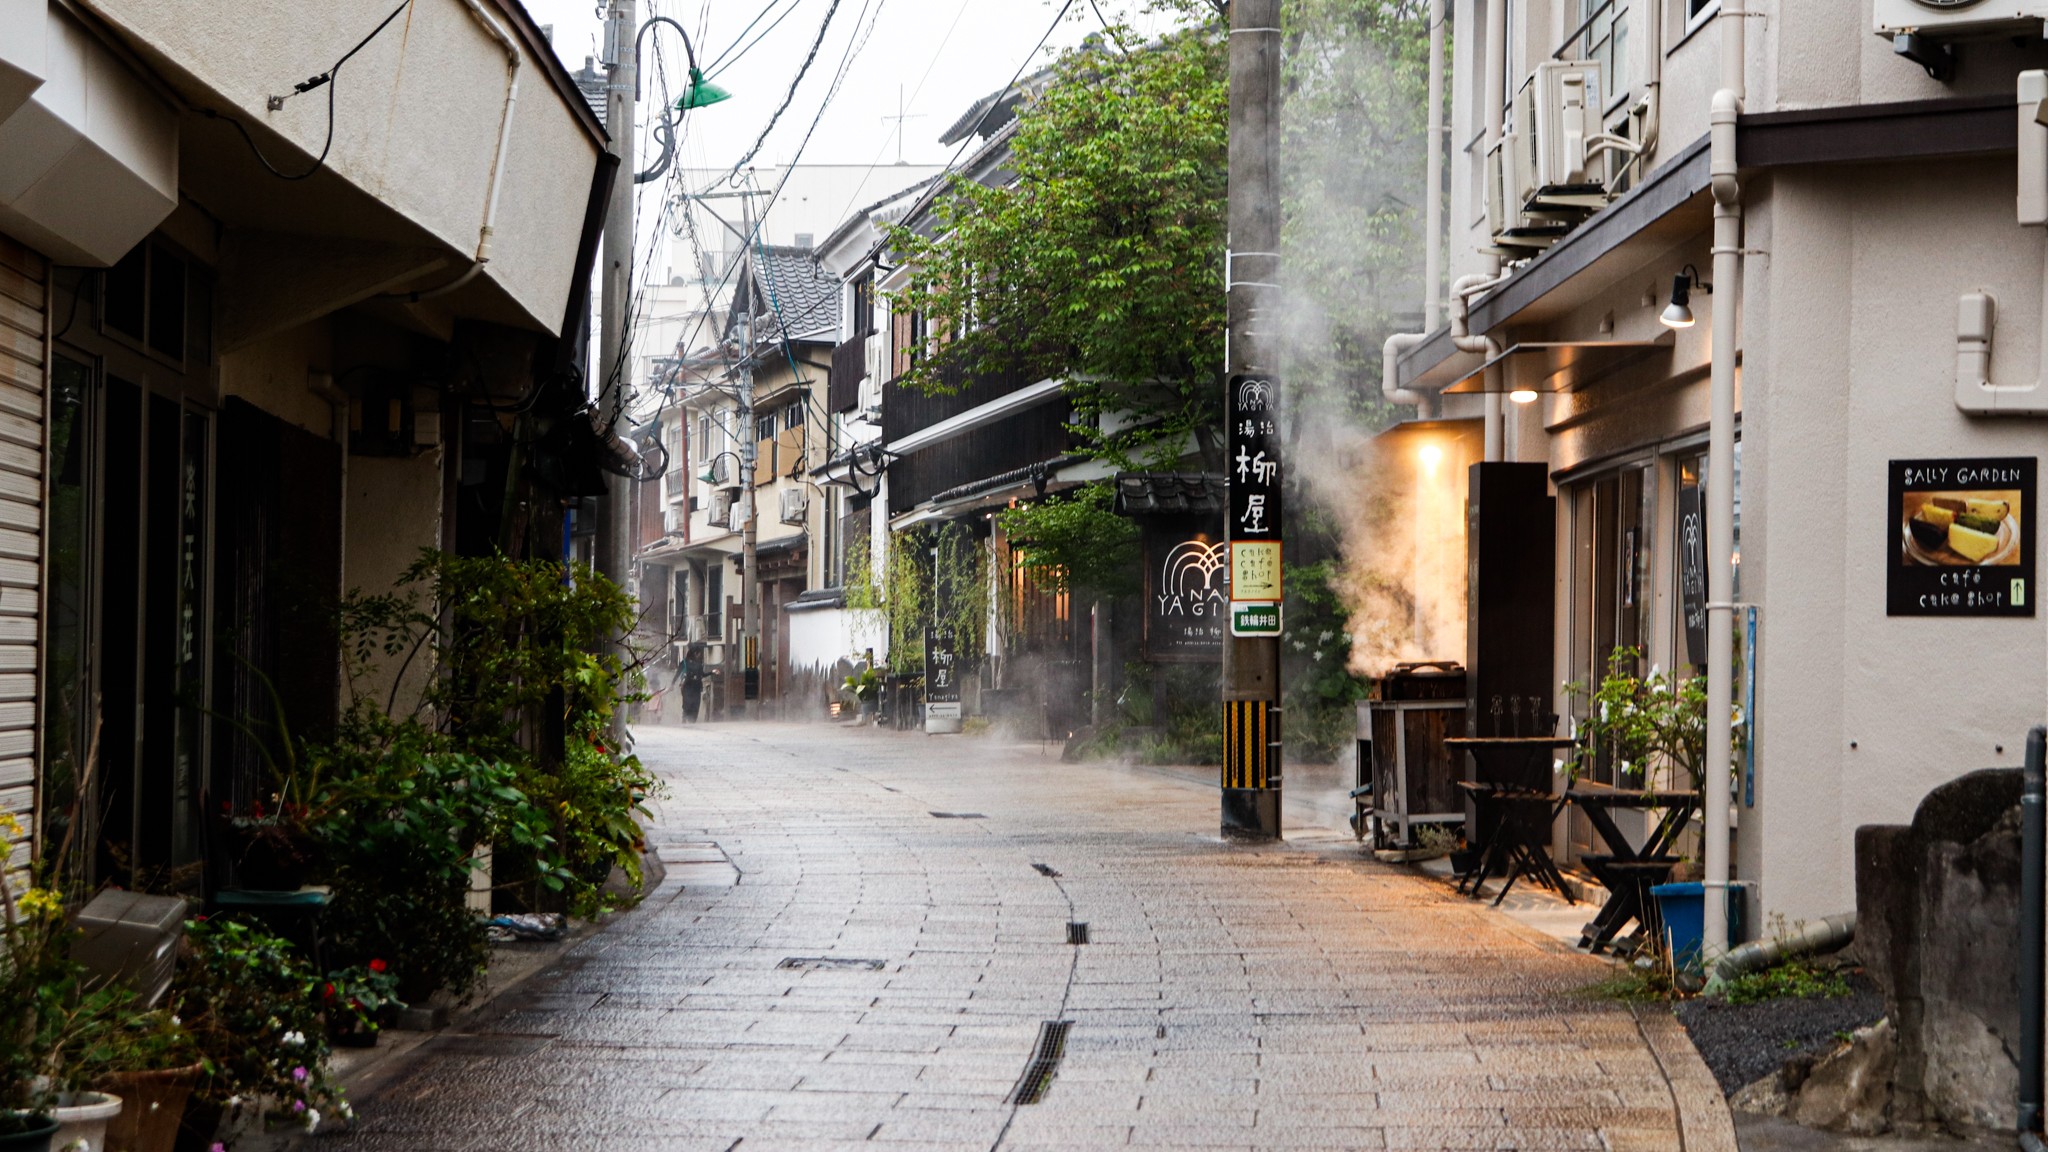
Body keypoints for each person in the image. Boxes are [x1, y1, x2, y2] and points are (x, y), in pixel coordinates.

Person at [679, 642, 706, 724]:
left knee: (693, 702)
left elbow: (702, 674)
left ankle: (689, 718)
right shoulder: (686, 663)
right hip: (688, 684)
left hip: (694, 686)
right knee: (689, 702)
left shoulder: (698, 664)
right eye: (699, 654)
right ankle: (687, 716)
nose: (700, 656)